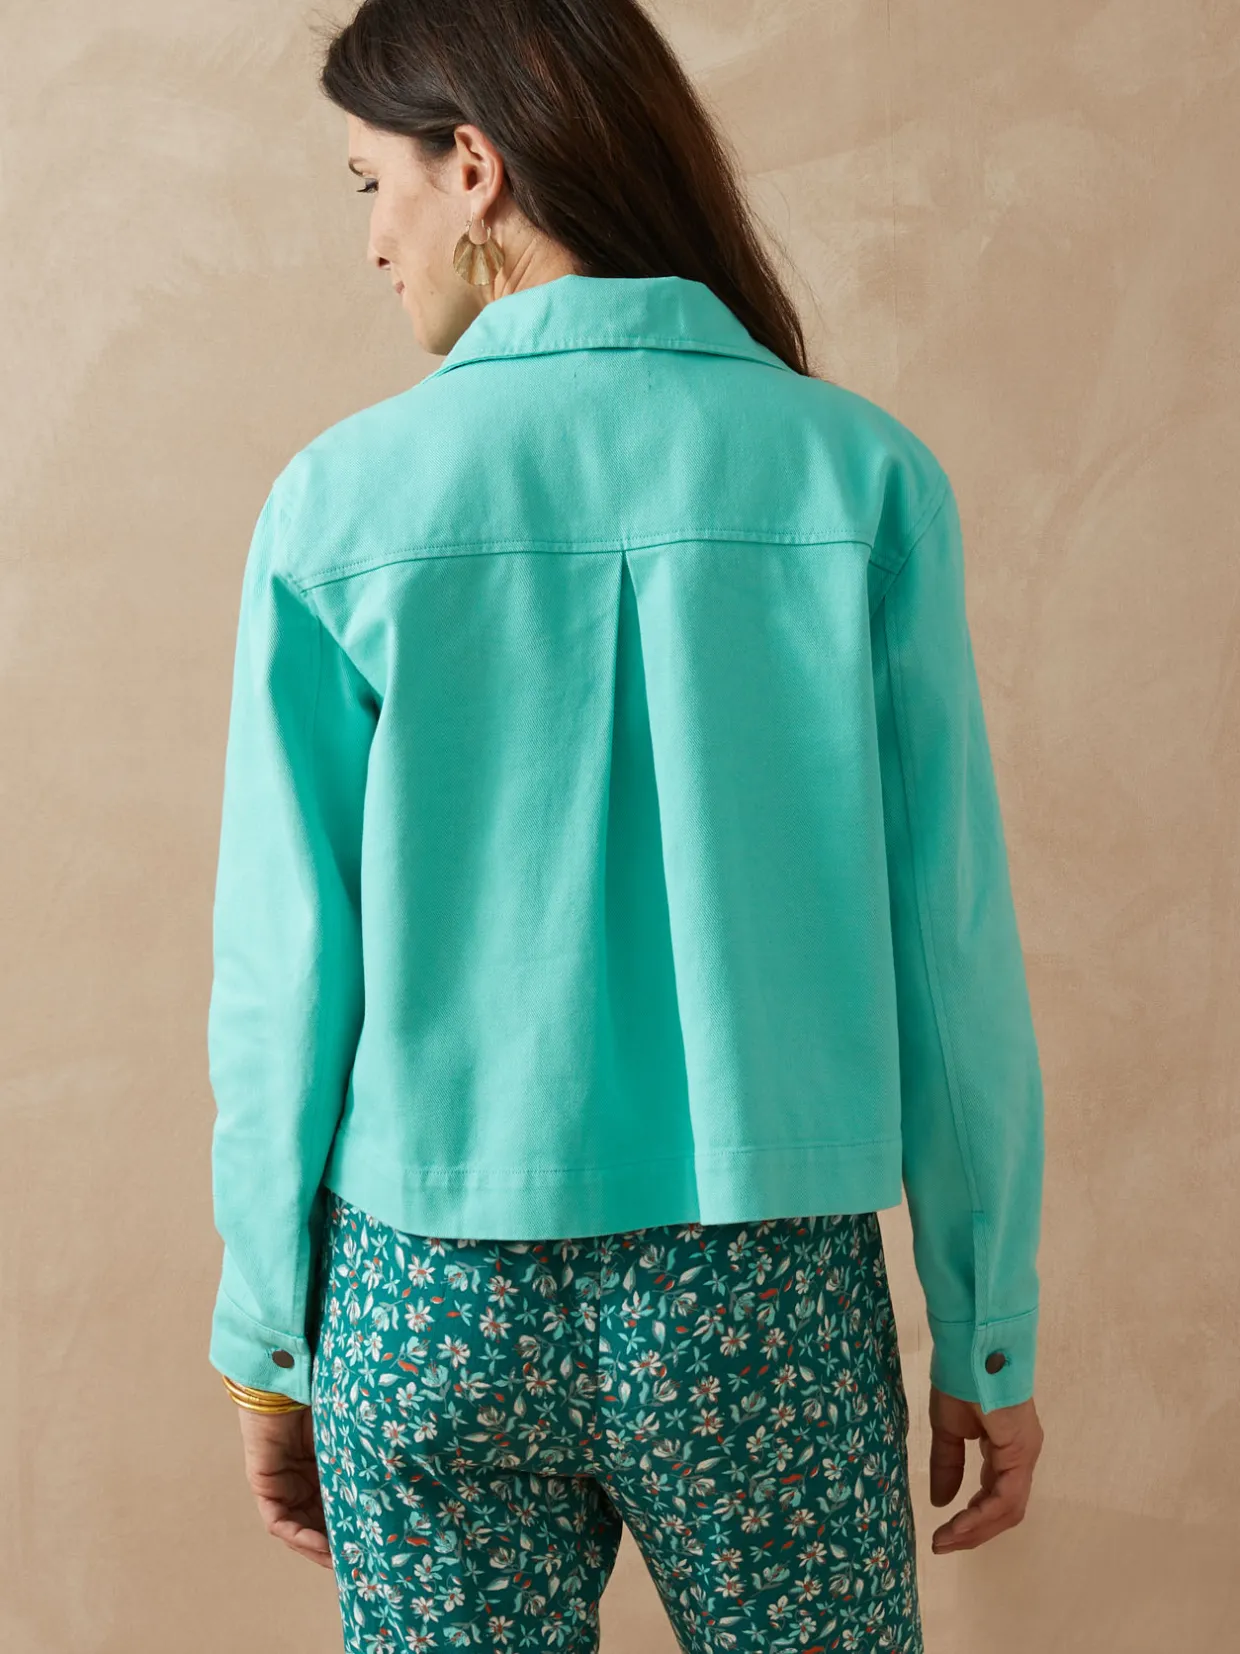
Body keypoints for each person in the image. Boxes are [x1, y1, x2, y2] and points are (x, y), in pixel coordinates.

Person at [206, 1, 1045, 1649]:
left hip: (425, 1290)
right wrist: (986, 1321)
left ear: (473, 167)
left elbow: (284, 976)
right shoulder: (862, 481)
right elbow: (946, 953)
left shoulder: (336, 506)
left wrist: (268, 1344)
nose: (373, 239)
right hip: (761, 1297)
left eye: (372, 183)